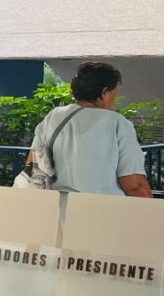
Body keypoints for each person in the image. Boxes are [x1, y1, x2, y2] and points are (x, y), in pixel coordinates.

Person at [27, 61, 151, 197]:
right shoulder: (117, 123)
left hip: (59, 207)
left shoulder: (54, 117)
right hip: (104, 207)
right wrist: (155, 209)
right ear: (104, 92)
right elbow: (134, 186)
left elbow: (34, 166)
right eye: (114, 93)